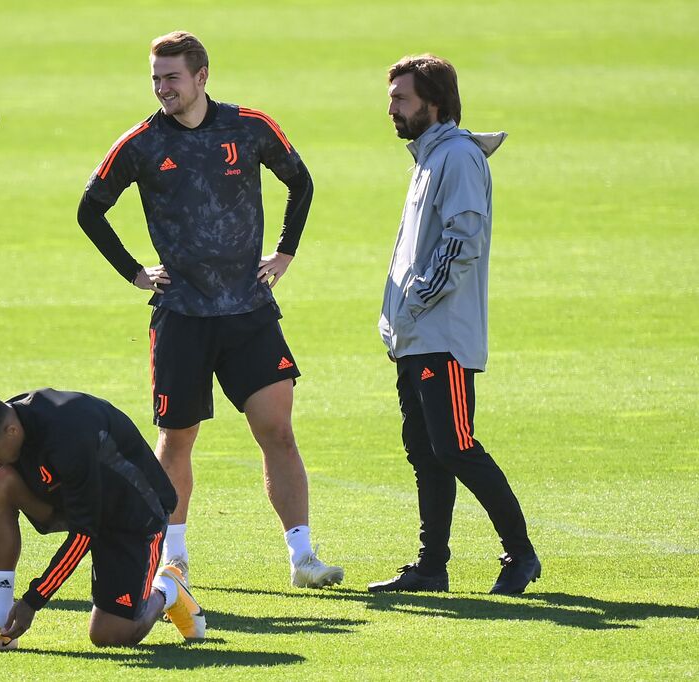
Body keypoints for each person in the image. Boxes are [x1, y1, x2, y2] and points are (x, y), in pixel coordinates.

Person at [76, 30, 342, 589]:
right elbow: (90, 209)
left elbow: (301, 182)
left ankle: (303, 557)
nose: (161, 88)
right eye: (155, 78)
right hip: (181, 315)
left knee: (278, 431)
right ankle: (174, 557)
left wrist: (287, 251)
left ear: (201, 77)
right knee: (177, 439)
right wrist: (134, 272)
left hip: (248, 311)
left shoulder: (249, 126)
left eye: (171, 77)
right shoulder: (140, 144)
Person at [369, 54, 541, 595]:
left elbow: (461, 241)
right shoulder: (427, 158)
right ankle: (431, 566)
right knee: (426, 452)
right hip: (416, 336)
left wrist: (416, 300)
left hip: (440, 335)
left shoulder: (458, 158)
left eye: (401, 97)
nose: (391, 107)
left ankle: (521, 555)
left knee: (456, 445)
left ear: (433, 102)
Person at [0, 390, 205, 651]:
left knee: (110, 635)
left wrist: (33, 600)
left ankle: (168, 587)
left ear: (11, 431)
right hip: (75, 502)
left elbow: (84, 533)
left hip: (132, 517)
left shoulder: (69, 434)